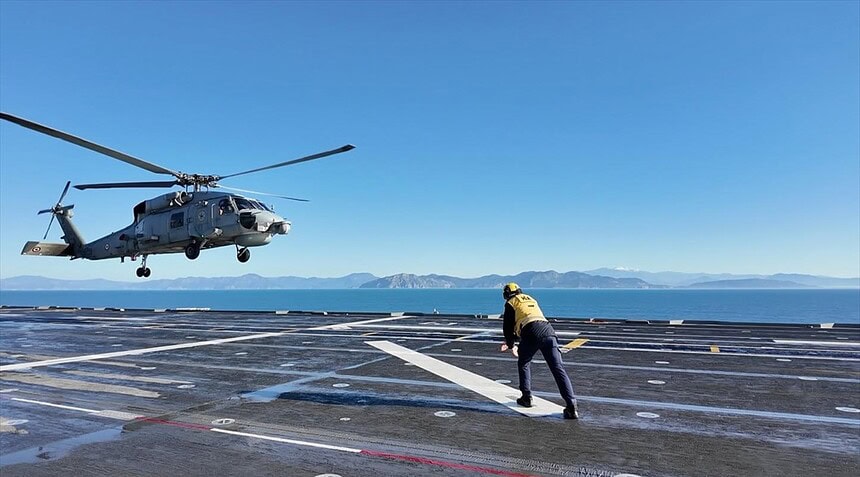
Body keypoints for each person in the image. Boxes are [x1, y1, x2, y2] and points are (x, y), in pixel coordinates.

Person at [500, 282, 579, 419]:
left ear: (507, 294)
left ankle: (526, 397)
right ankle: (571, 405)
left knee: (524, 362)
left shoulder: (511, 302)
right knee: (558, 369)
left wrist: (511, 345)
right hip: (548, 330)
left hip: (531, 331)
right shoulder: (530, 298)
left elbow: (508, 327)